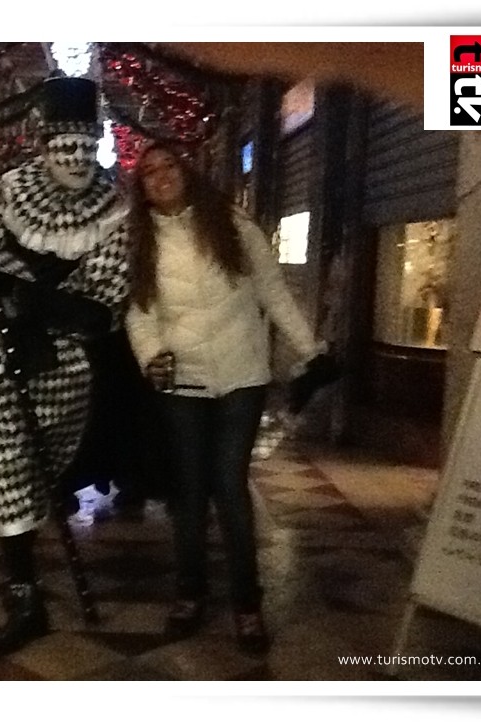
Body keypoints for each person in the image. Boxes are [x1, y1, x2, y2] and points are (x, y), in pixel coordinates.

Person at [0, 76, 129, 659]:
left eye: (85, 147)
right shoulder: (5, 194)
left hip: (62, 363)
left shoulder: (113, 213)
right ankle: (25, 594)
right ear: (43, 146)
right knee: (0, 469)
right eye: (64, 146)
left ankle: (33, 561)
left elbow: (103, 308)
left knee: (37, 472)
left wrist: (30, 296)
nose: (75, 158)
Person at [124, 141, 332, 655]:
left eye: (168, 165)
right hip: (183, 381)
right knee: (189, 492)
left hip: (242, 376)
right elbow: (139, 310)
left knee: (230, 485)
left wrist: (310, 350)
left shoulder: (233, 226)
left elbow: (274, 292)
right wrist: (151, 354)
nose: (161, 176)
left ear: (185, 170)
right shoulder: (142, 241)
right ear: (142, 188)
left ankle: (246, 603)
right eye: (149, 172)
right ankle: (190, 593)